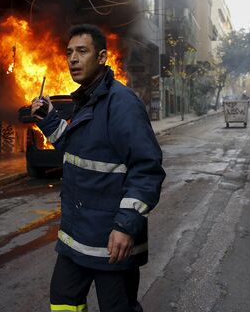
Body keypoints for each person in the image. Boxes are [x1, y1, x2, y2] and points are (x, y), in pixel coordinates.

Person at [31, 24, 165, 312]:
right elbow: (77, 150)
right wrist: (49, 120)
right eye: (69, 53)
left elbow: (147, 168)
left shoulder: (121, 103)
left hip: (111, 241)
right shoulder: (86, 98)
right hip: (75, 236)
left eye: (82, 51)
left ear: (102, 57)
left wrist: (126, 226)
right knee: (63, 303)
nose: (73, 59)